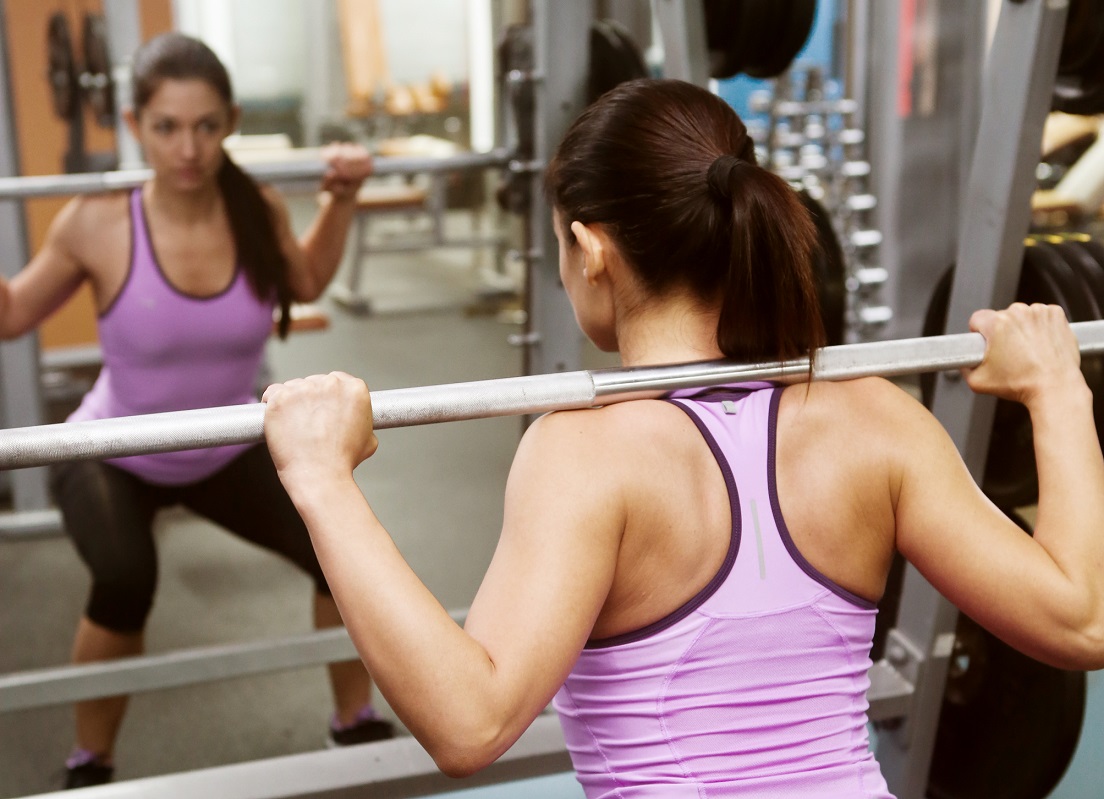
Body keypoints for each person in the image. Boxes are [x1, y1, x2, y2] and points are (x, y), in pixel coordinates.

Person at [261, 78, 1104, 797]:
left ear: (591, 251)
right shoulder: (877, 419)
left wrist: (323, 482)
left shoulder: (585, 454)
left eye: (560, 243)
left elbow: (469, 722)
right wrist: (1057, 387)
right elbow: (1081, 622)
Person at [0, 33, 393, 789]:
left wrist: (341, 198)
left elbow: (306, 278)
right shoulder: (98, 221)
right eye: (167, 127)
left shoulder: (256, 207)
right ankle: (91, 760)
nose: (188, 147)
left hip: (224, 440)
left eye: (207, 125)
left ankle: (355, 719)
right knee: (123, 576)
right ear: (134, 123)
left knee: (339, 545)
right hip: (113, 448)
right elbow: (14, 312)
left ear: (232, 121)